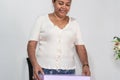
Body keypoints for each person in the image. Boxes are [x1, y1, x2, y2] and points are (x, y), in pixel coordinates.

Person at [27, 0, 91, 80]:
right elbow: (31, 45)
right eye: (60, 3)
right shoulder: (42, 20)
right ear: (53, 2)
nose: (64, 7)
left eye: (68, 4)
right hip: (43, 70)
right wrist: (35, 65)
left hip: (68, 72)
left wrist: (85, 65)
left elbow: (80, 47)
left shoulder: (74, 23)